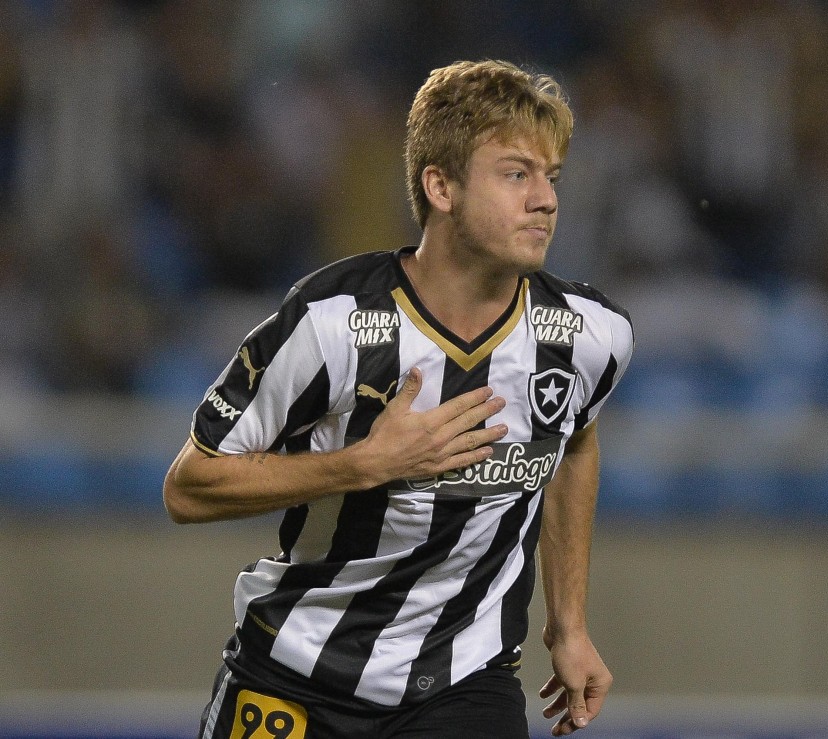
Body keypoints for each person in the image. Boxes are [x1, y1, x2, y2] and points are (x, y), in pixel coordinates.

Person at [163, 59, 634, 739]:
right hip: (298, 677)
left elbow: (576, 439)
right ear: (439, 186)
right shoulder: (332, 324)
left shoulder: (590, 336)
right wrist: (363, 463)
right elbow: (188, 486)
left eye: (551, 177)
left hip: (464, 687)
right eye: (516, 174)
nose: (547, 199)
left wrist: (570, 624)